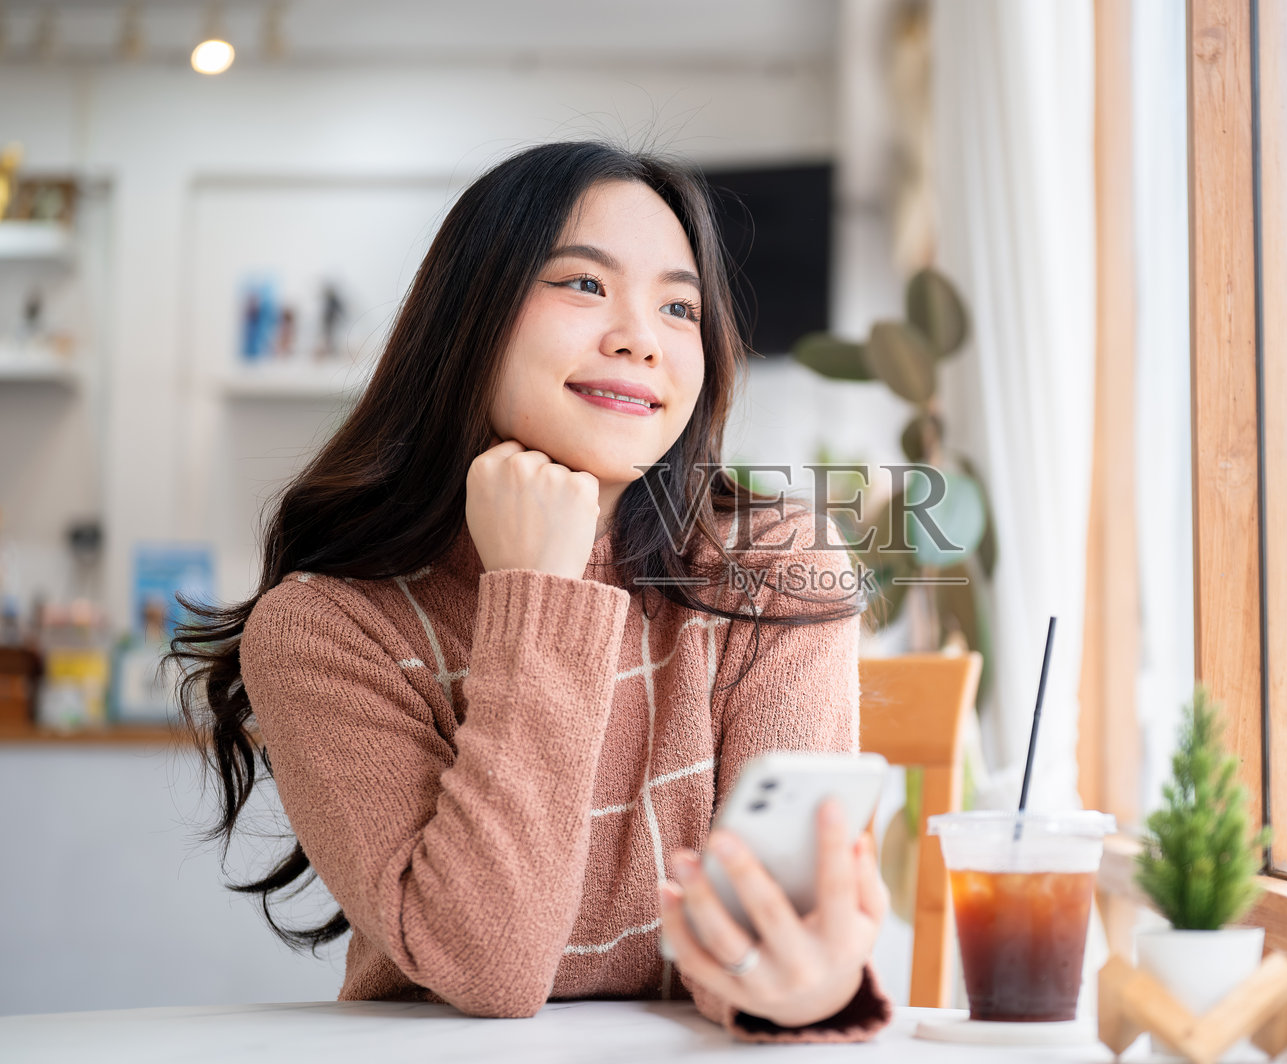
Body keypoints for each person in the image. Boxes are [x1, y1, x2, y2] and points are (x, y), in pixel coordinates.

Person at [170, 141, 890, 1041]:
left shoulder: (775, 561)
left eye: (679, 305)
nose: (640, 337)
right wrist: (537, 595)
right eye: (583, 285)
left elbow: (762, 930)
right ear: (467, 321)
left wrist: (792, 985)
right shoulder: (328, 627)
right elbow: (486, 967)